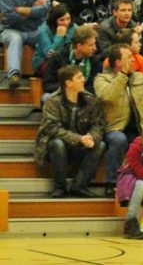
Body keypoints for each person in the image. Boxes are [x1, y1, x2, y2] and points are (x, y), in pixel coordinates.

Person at [94, 44, 143, 196]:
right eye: (129, 58)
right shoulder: (102, 79)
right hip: (113, 128)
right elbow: (107, 96)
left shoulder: (138, 77)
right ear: (118, 62)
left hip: (138, 128)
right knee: (119, 139)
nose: (133, 60)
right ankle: (111, 182)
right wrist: (123, 75)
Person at [36, 65, 106, 198]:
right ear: (68, 82)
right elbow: (51, 128)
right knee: (57, 143)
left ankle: (80, 186)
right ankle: (59, 187)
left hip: (80, 145)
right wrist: (78, 138)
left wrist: (92, 137)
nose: (83, 80)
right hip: (57, 147)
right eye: (79, 77)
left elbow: (98, 124)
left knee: (100, 145)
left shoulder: (90, 100)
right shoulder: (52, 101)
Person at [0, 0, 51, 88]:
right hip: (12, 30)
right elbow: (9, 18)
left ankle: (49, 72)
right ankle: (14, 74)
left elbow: (45, 9)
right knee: (15, 39)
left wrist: (25, 10)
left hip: (35, 30)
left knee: (46, 35)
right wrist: (33, 9)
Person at [42, 25, 99, 97]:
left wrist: (78, 90)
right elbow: (47, 85)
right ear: (79, 46)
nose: (95, 48)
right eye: (91, 45)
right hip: (61, 94)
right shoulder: (57, 57)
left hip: (83, 94)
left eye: (94, 44)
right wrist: (70, 87)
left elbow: (93, 86)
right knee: (46, 97)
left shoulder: (94, 61)